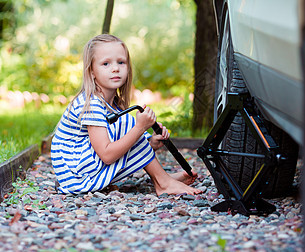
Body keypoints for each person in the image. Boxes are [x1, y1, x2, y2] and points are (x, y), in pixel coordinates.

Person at [51, 34, 201, 196]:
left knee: (129, 125)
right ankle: (163, 182)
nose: (115, 68)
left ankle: (163, 178)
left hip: (84, 168)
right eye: (106, 63)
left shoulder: (112, 103)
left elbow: (120, 145)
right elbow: (107, 155)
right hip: (77, 176)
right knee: (129, 124)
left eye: (121, 62)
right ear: (92, 71)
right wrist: (139, 128)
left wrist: (150, 142)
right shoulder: (91, 104)